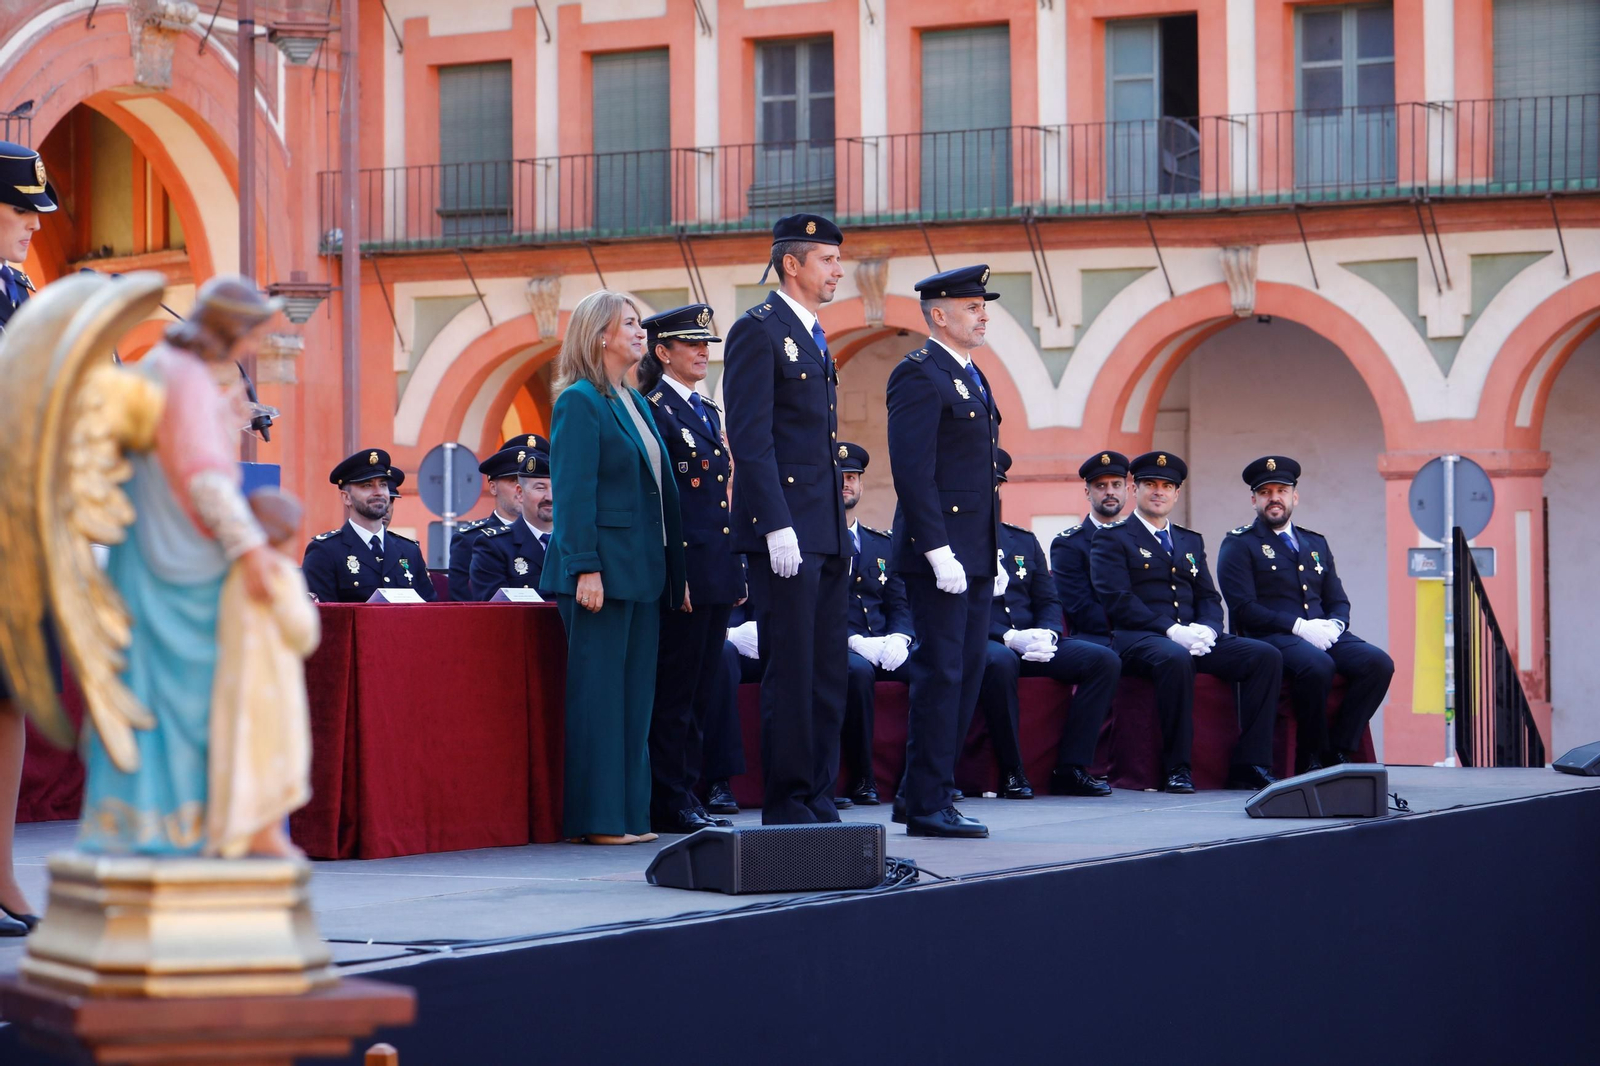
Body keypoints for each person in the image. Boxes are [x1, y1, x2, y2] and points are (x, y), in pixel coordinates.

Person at [538, 290, 686, 845]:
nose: (640, 332)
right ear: (600, 334)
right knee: (600, 699)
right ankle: (598, 820)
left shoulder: (637, 402)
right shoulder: (579, 401)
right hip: (598, 574)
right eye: (630, 324)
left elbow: (658, 497)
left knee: (634, 701)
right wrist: (584, 568)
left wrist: (678, 573)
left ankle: (629, 816)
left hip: (642, 574)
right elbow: (574, 493)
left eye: (640, 324)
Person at [722, 213, 849, 825]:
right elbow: (750, 439)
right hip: (786, 536)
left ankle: (819, 794)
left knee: (826, 672)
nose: (838, 270)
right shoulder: (759, 331)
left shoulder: (813, 335)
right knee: (791, 672)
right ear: (791, 264)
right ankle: (789, 802)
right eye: (827, 259)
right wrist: (775, 524)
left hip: (823, 532)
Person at [886, 264, 1003, 839]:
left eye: (984, 306)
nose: (984, 314)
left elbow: (978, 479)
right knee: (943, 675)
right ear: (938, 314)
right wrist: (937, 550)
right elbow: (914, 474)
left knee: (968, 673)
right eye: (972, 305)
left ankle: (919, 794)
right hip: (940, 557)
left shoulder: (971, 376)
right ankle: (932, 803)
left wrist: (990, 552)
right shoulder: (919, 375)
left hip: (973, 554)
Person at [1089, 451, 1281, 793]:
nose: (1159, 492)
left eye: (1167, 486)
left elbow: (1209, 596)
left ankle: (1250, 763)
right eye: (1151, 484)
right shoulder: (1112, 537)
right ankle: (1178, 767)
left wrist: (1207, 627)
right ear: (1136, 489)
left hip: (1191, 633)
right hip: (1139, 638)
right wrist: (1171, 629)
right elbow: (1118, 599)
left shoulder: (1189, 540)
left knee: (1264, 656)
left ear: (1177, 494)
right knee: (1175, 658)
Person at [637, 303, 744, 834]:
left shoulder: (706, 411)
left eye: (706, 344)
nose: (703, 352)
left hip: (713, 568)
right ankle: (669, 796)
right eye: (690, 344)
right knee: (676, 690)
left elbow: (719, 502)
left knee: (704, 688)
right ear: (663, 353)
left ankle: (690, 790)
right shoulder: (653, 409)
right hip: (682, 571)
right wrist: (675, 573)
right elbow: (661, 501)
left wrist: (733, 571)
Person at [1216, 456, 1393, 771]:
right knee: (1318, 666)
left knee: (1378, 663)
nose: (1274, 498)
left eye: (1281, 490)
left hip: (1322, 632)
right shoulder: (1239, 544)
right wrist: (1298, 626)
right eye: (1266, 492)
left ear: (1294, 496)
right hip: (1273, 635)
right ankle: (1311, 754)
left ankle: (1341, 747)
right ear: (1254, 499)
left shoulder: (1315, 543)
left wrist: (1335, 625)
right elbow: (1243, 608)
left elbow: (1337, 598)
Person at [978, 451, 1122, 798]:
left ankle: (1072, 767)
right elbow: (958, 611)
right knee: (999, 662)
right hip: (991, 640)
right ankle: (1013, 770)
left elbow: (1048, 598)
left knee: (1103, 661)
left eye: (995, 485)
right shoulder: (951, 543)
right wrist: (1009, 636)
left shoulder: (1022, 540)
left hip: (1036, 639)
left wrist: (1048, 632)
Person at [0, 140, 58, 934]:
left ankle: (3, 874)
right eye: (19, 213)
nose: (31, 230)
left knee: (9, 697)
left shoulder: (19, 289)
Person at [206, 489, 318, 859]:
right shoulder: (280, 572)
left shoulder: (229, 572)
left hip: (233, 682)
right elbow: (303, 632)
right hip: (274, 683)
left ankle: (232, 832)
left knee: (237, 754)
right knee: (275, 754)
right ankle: (264, 831)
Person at [839, 442, 910, 807]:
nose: (846, 485)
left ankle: (921, 777)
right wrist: (851, 641)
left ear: (862, 486)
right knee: (858, 674)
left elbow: (899, 601)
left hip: (885, 643)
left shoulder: (883, 544)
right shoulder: (813, 543)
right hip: (841, 648)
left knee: (935, 669)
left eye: (852, 478)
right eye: (840, 479)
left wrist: (900, 636)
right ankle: (864, 778)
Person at [302, 450, 437, 603]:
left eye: (383, 485)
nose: (378, 492)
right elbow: (321, 619)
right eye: (367, 486)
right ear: (346, 498)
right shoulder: (325, 551)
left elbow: (431, 611)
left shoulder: (409, 550)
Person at [1051, 450, 1131, 647]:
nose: (1110, 492)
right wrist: (1136, 625)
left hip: (1148, 635)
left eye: (1116, 484)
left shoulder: (1139, 539)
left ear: (1127, 490)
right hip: (1099, 640)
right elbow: (1081, 609)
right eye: (1101, 486)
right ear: (1087, 493)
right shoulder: (1069, 544)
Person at [448, 439, 537, 600]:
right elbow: (462, 605)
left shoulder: (551, 536)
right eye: (514, 481)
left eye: (529, 482)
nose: (521, 489)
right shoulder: (470, 539)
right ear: (493, 487)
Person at [470, 450, 553, 599]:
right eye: (540, 488)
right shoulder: (494, 546)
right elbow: (495, 611)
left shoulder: (579, 543)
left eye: (557, 488)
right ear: (520, 493)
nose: (550, 497)